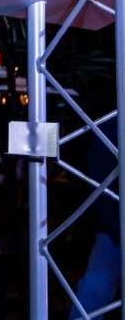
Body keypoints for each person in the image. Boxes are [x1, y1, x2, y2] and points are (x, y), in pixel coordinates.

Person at [70, 116, 120, 320]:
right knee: (93, 287)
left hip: (113, 232)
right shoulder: (108, 129)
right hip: (115, 234)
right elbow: (101, 197)